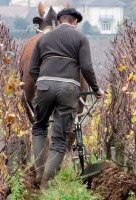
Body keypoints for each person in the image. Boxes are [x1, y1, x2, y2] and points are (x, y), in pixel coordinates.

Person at [29, 7, 104, 188]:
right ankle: (46, 182)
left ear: (60, 19)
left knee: (39, 127)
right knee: (60, 138)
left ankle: (39, 174)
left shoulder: (43, 38)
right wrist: (96, 89)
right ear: (75, 22)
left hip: (44, 86)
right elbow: (86, 67)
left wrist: (43, 84)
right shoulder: (80, 39)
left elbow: (32, 69)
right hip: (69, 89)